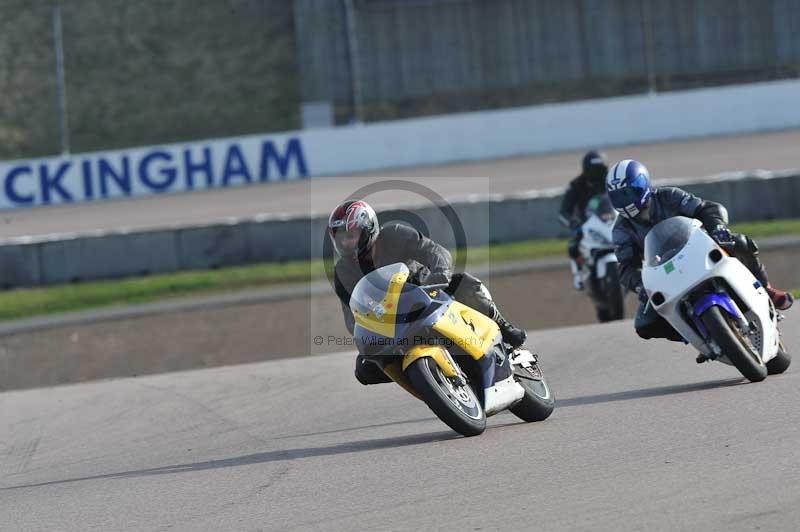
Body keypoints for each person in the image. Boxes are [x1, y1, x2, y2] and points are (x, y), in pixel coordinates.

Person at [607, 159, 793, 359]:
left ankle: (766, 288)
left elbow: (705, 208)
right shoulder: (621, 230)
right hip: (666, 272)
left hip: (697, 251)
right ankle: (698, 336)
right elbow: (625, 267)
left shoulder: (669, 196)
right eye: (618, 195)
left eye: (628, 192)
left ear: (643, 184)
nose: (624, 200)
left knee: (740, 243)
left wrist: (717, 228)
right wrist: (640, 286)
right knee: (644, 325)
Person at [328, 199, 528, 384]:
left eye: (351, 236)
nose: (345, 243)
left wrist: (440, 273)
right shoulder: (343, 271)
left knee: (465, 284)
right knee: (364, 368)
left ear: (368, 229)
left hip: (429, 294)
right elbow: (350, 315)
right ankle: (423, 378)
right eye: (341, 238)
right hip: (394, 322)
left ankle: (503, 327)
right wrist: (365, 329)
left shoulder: (395, 234)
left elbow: (435, 252)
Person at [559, 150, 609, 290]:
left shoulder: (611, 182)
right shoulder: (575, 185)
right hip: (585, 226)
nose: (598, 175)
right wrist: (574, 224)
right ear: (586, 171)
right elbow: (563, 212)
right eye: (594, 171)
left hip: (610, 222)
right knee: (573, 245)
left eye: (601, 170)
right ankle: (579, 274)